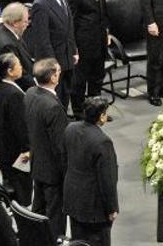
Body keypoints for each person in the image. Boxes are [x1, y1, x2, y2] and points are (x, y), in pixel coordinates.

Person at [63, 97, 118, 246]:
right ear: (101, 116)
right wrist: (112, 208)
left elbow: (65, 158)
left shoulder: (70, 128)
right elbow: (107, 179)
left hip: (73, 198)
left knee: (78, 241)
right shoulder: (103, 141)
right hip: (94, 207)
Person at [24, 58, 69, 242]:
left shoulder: (30, 93)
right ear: (52, 77)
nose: (60, 74)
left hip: (38, 164)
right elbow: (60, 146)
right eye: (58, 71)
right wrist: (67, 172)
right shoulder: (52, 107)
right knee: (55, 215)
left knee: (38, 209)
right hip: (53, 172)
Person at [66, 0, 110, 120]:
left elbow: (103, 11)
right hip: (83, 44)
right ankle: (79, 113)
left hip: (99, 40)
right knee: (79, 81)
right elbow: (71, 23)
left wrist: (107, 32)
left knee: (97, 78)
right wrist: (74, 47)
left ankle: (96, 111)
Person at [0, 53, 32, 205]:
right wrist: (27, 149)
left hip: (3, 147)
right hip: (14, 151)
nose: (22, 67)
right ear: (9, 71)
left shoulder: (0, 85)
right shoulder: (14, 94)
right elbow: (19, 126)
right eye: (19, 65)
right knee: (21, 186)